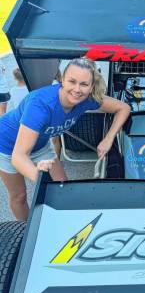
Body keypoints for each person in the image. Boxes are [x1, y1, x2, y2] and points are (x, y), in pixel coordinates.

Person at [0, 57, 130, 221]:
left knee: (62, 185)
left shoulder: (87, 100)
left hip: (39, 144)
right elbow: (19, 156)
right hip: (6, 145)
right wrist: (40, 176)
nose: (77, 89)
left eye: (84, 84)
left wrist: (108, 138)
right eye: (72, 81)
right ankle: (26, 231)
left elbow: (123, 108)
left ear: (91, 87)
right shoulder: (41, 104)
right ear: (62, 80)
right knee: (19, 195)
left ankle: (62, 223)